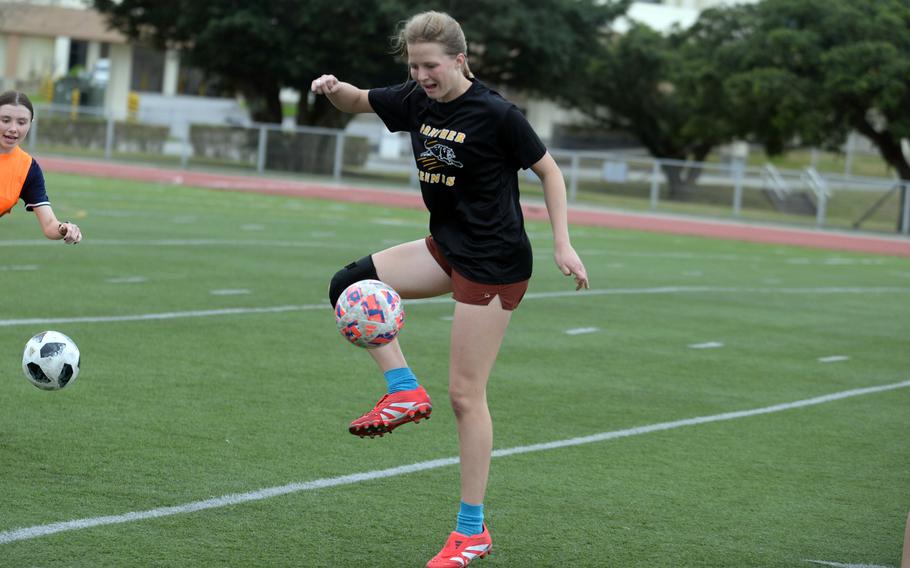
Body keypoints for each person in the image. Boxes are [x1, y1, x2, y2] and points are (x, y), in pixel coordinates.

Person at [312, 11, 588, 567]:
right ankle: (405, 388)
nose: (422, 75)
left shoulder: (496, 113)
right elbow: (359, 101)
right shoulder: (416, 98)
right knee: (349, 283)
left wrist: (563, 243)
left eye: (431, 65)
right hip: (447, 246)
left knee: (466, 396)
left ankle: (472, 531)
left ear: (460, 59)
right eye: (413, 66)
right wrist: (335, 89)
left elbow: (550, 172)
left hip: (494, 262)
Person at [0, 90, 82, 243]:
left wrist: (64, 228)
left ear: (30, 124)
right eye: (5, 120)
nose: (13, 128)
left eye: (21, 122)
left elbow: (49, 224)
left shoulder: (27, 168)